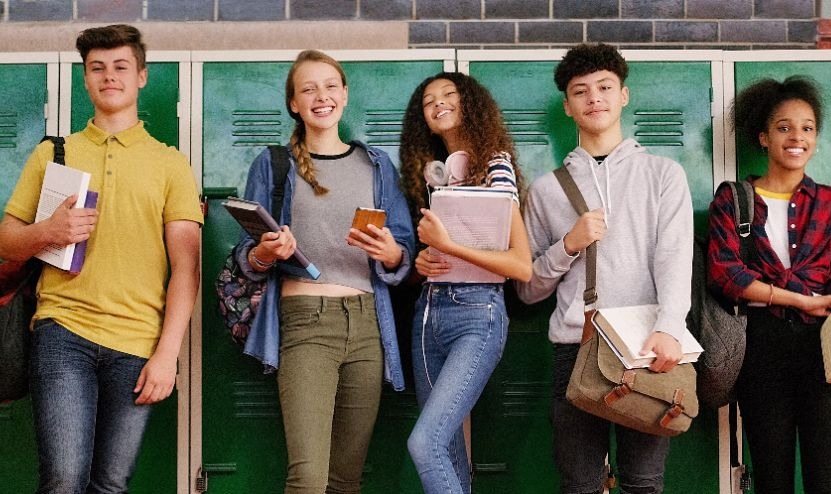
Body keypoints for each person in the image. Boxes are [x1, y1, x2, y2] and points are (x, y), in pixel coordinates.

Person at [0, 25, 203, 493]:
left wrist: (168, 355)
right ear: (86, 80)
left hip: (137, 344)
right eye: (97, 68)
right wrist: (45, 232)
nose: (109, 76)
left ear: (142, 77)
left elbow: (186, 268)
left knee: (110, 484)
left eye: (120, 67)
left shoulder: (169, 163)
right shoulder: (55, 153)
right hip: (62, 332)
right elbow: (7, 239)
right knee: (63, 479)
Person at [232, 49, 415, 494]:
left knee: (345, 480)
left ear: (345, 95)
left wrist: (391, 252)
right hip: (304, 322)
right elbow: (246, 253)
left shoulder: (376, 165)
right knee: (309, 478)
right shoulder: (274, 164)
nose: (321, 96)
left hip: (368, 323)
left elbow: (404, 250)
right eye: (308, 88)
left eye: (330, 85)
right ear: (294, 103)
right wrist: (267, 253)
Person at [515, 43, 693, 494]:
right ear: (568, 106)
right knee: (579, 486)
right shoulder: (545, 190)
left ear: (624, 96)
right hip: (575, 348)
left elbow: (674, 258)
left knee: (644, 484)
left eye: (605, 87)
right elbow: (528, 291)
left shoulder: (663, 174)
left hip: (647, 350)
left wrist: (670, 327)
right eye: (581, 91)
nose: (594, 98)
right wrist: (568, 245)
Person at [707, 76, 831, 493]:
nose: (798, 137)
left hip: (824, 344)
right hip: (761, 346)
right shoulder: (733, 199)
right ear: (762, 136)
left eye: (808, 127)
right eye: (784, 127)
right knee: (772, 477)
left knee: (827, 477)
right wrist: (799, 298)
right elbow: (725, 273)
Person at [400, 71, 532, 494]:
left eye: (448, 95)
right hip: (427, 316)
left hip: (478, 314)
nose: (437, 103)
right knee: (449, 451)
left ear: (470, 103)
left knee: (425, 442)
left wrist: (448, 244)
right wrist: (424, 259)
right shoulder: (433, 175)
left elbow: (521, 265)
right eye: (427, 101)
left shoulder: (495, 165)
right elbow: (432, 254)